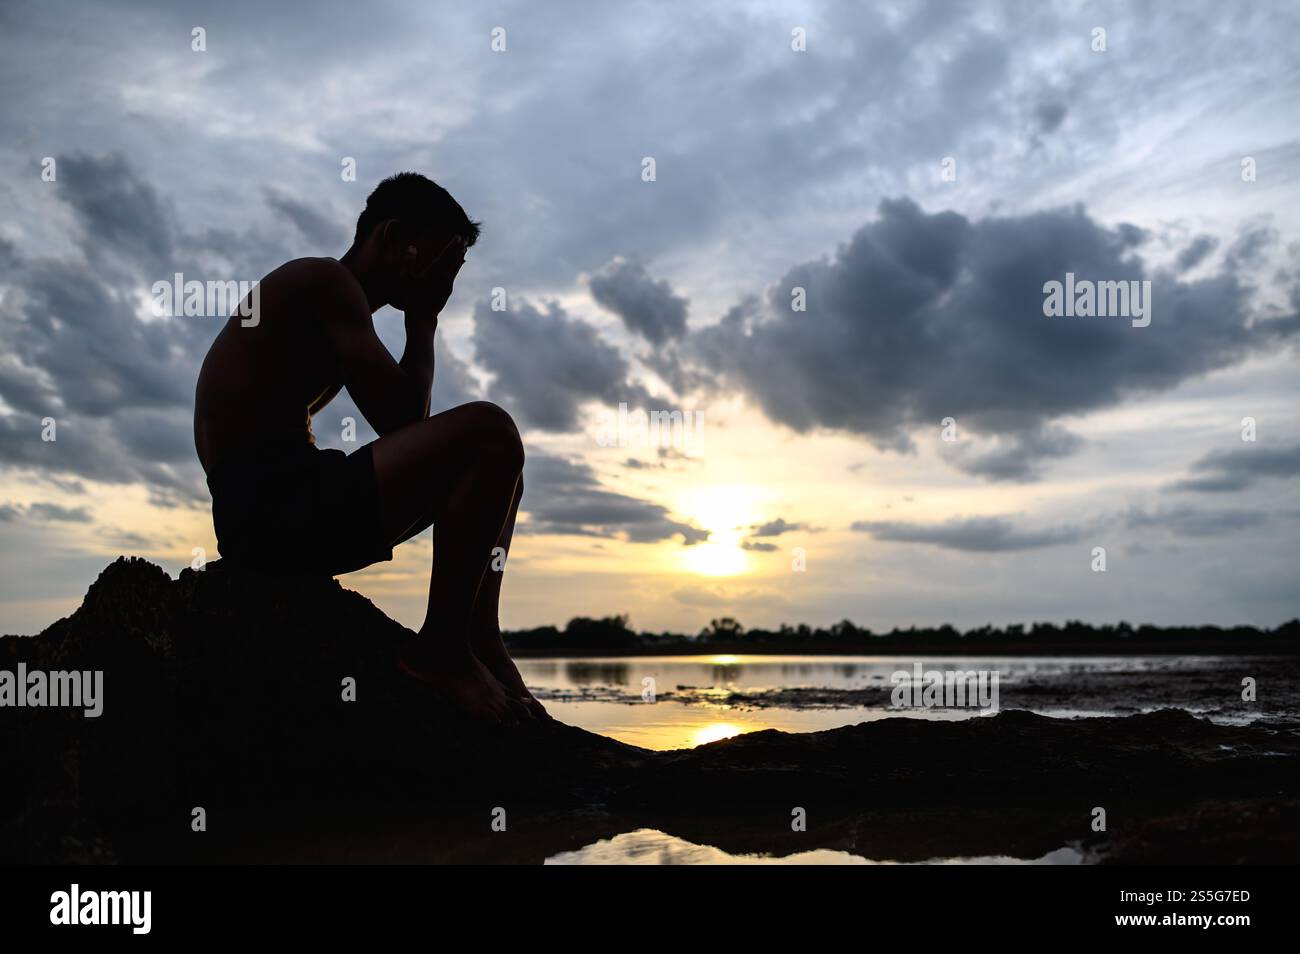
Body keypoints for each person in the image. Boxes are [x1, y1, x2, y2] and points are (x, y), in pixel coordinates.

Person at [193, 172, 542, 725]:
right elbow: (404, 420)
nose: (446, 278)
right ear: (392, 234)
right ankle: (443, 651)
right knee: (491, 433)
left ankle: (477, 636)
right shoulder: (325, 281)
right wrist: (423, 320)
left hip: (288, 502)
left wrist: (422, 317)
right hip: (269, 510)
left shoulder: (342, 304)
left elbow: (411, 426)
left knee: (504, 468)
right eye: (441, 258)